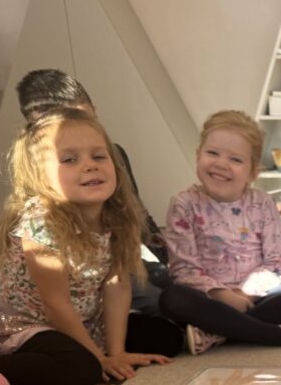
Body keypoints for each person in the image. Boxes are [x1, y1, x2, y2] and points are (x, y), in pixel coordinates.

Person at [0, 109, 180, 385]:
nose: (90, 166)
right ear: (40, 177)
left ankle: (90, 353)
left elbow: (117, 285)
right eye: (69, 160)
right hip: (28, 325)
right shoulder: (41, 221)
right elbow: (55, 303)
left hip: (86, 321)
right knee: (82, 369)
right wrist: (99, 358)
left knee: (167, 337)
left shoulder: (116, 215)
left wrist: (117, 352)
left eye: (99, 156)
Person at [159, 110, 281, 354]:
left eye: (235, 159)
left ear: (253, 172)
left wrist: (244, 294)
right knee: (173, 298)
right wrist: (222, 295)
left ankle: (216, 334)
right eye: (212, 153)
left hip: (255, 299)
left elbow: (278, 262)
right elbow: (184, 268)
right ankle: (277, 335)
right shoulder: (183, 203)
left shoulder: (262, 203)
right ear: (198, 155)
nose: (221, 164)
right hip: (207, 301)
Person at [15, 68, 171, 314]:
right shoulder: (36, 171)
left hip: (117, 258)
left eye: (83, 119)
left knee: (180, 284)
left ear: (94, 111)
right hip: (75, 274)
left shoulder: (114, 155)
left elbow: (136, 214)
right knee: (160, 303)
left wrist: (166, 258)